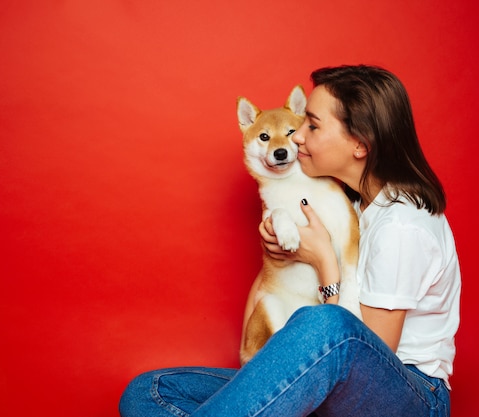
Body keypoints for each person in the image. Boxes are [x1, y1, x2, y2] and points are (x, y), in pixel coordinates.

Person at [119, 64, 461, 417]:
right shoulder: (355, 203)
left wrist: (323, 260)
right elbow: (270, 299)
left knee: (322, 322)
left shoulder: (402, 226)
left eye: (311, 126)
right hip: (332, 376)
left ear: (359, 144)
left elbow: (369, 348)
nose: (297, 137)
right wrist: (279, 259)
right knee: (151, 392)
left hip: (409, 394)